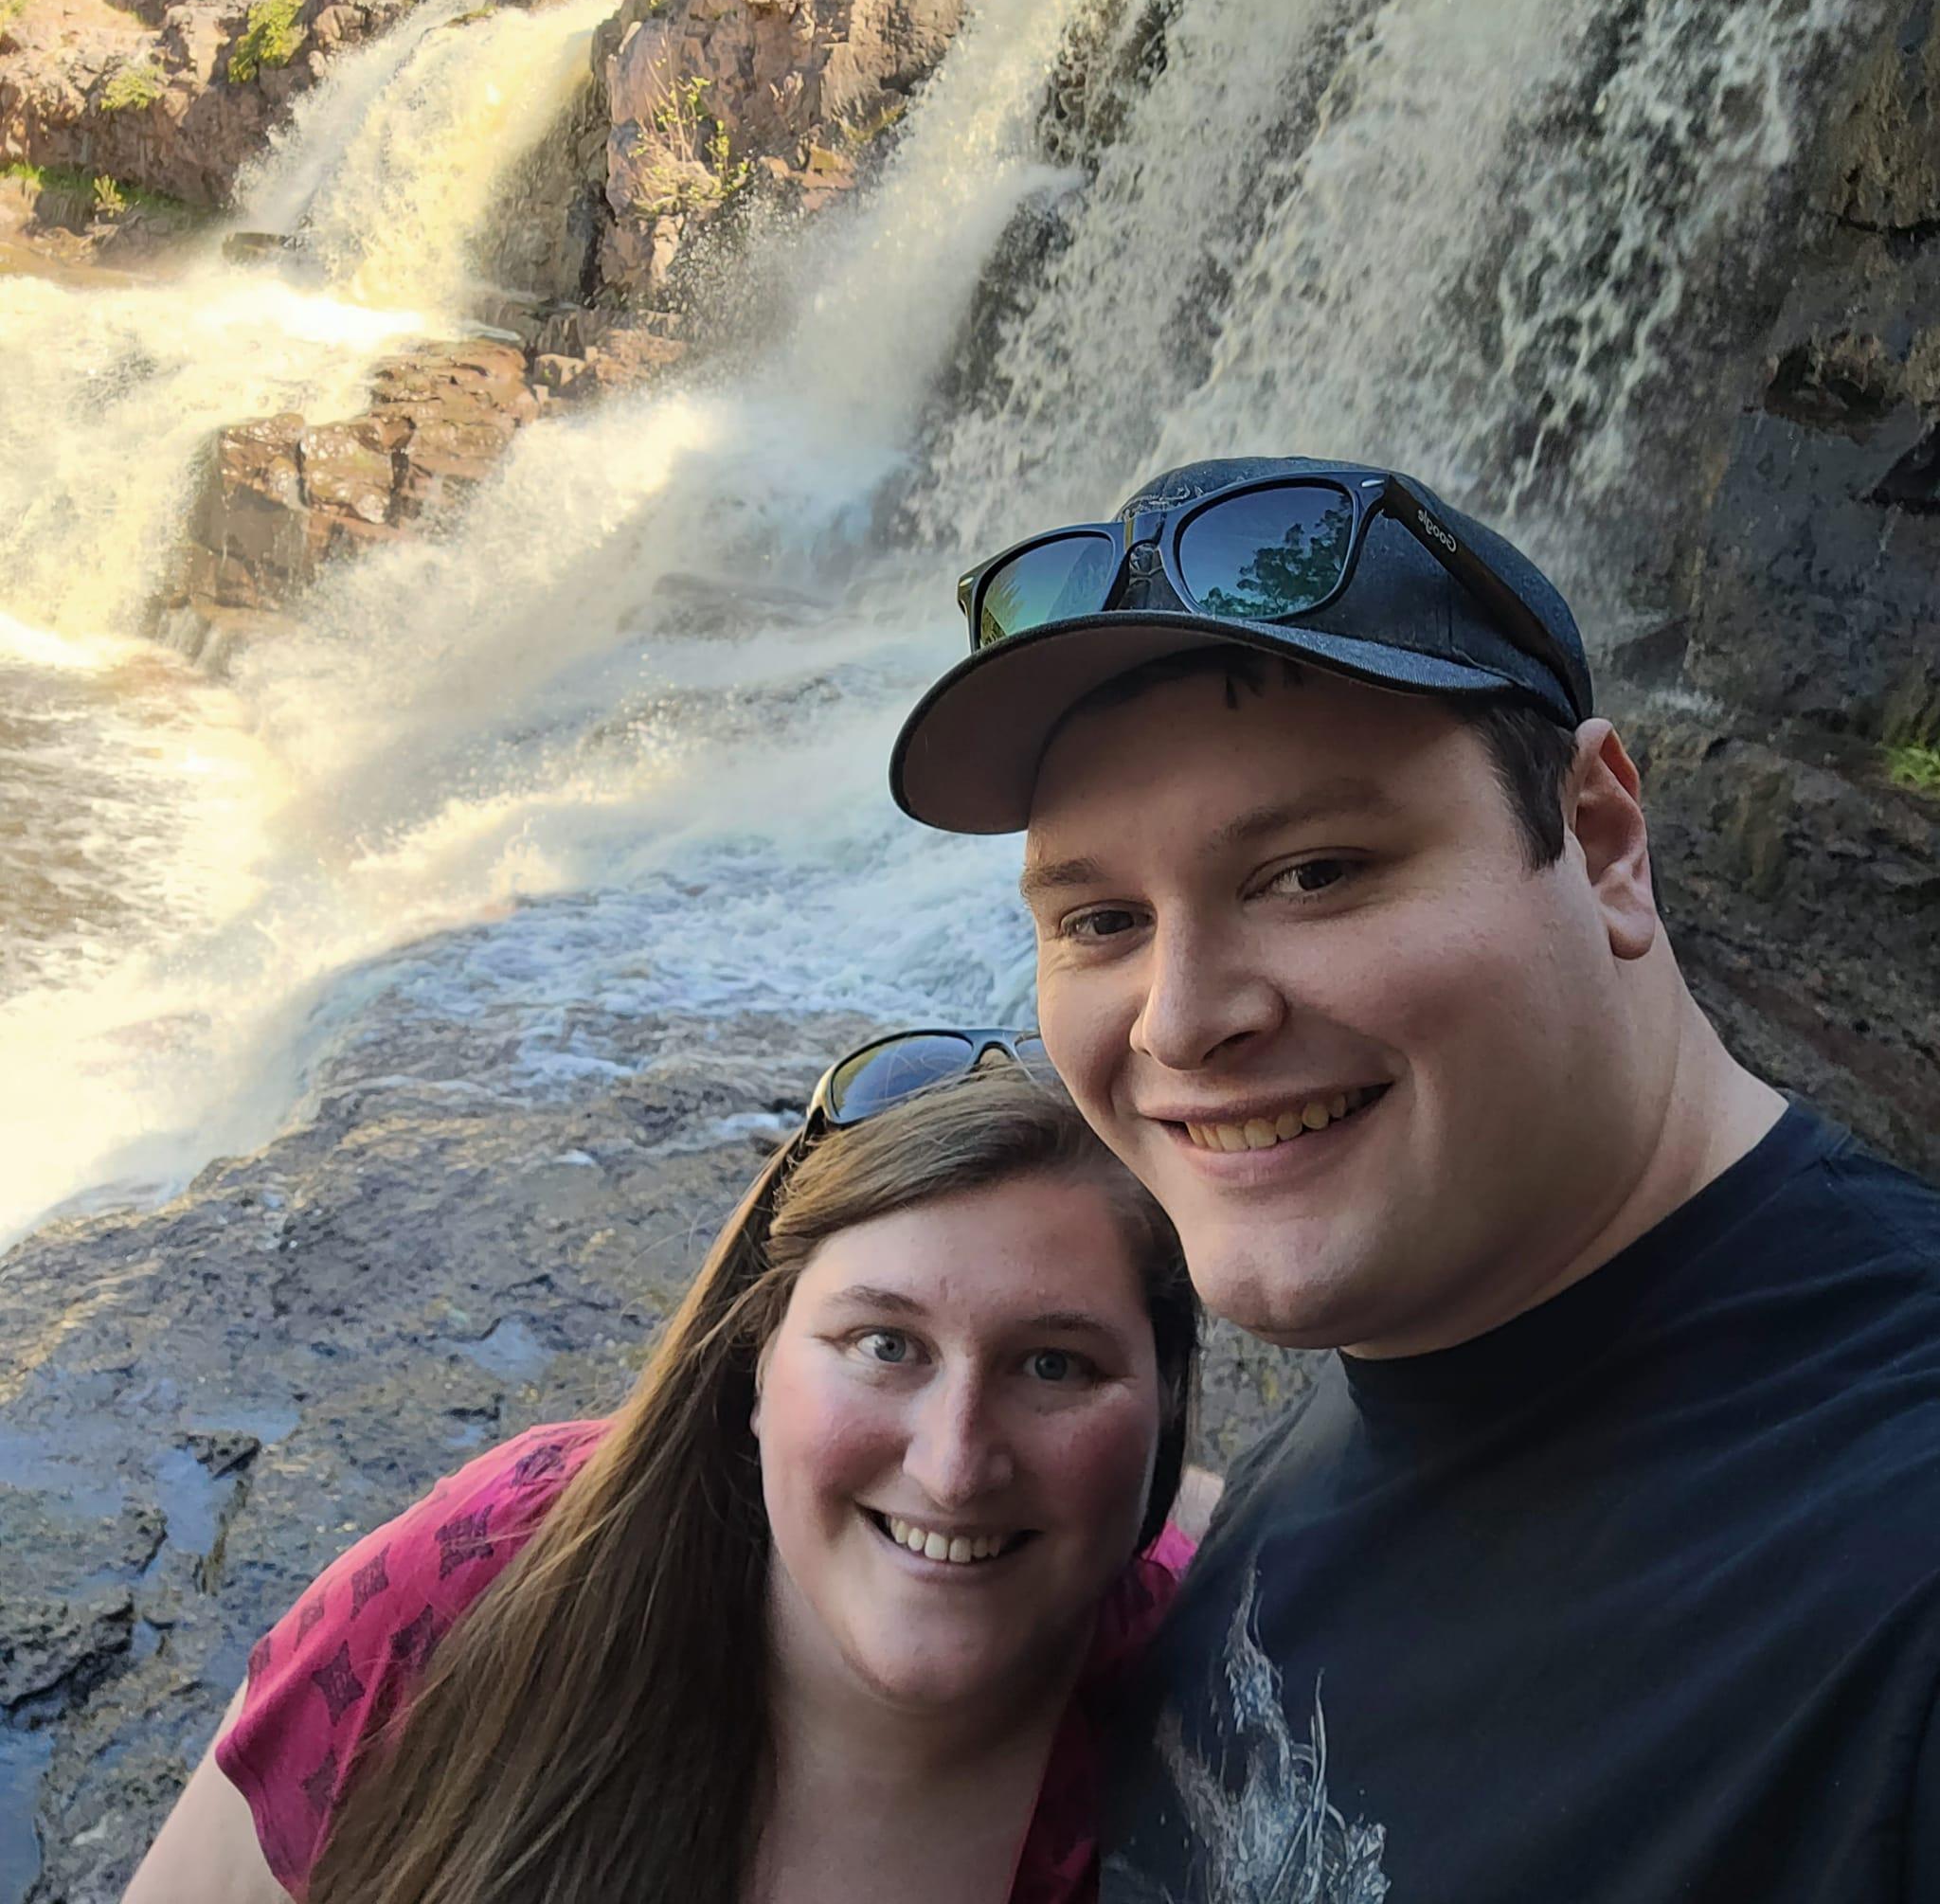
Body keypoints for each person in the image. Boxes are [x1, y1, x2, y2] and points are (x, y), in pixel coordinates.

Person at [890, 457, 1940, 1903]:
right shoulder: (1380, 1376)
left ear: (1603, 842)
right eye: (1103, 918)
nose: (1180, 1020)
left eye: (1314, 873)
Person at [123, 1031, 1199, 1904]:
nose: (955, 1462)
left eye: (1053, 1364)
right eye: (883, 1343)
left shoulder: (1232, 1715)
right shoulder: (499, 1566)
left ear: (1165, 1402)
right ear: (754, 1359)